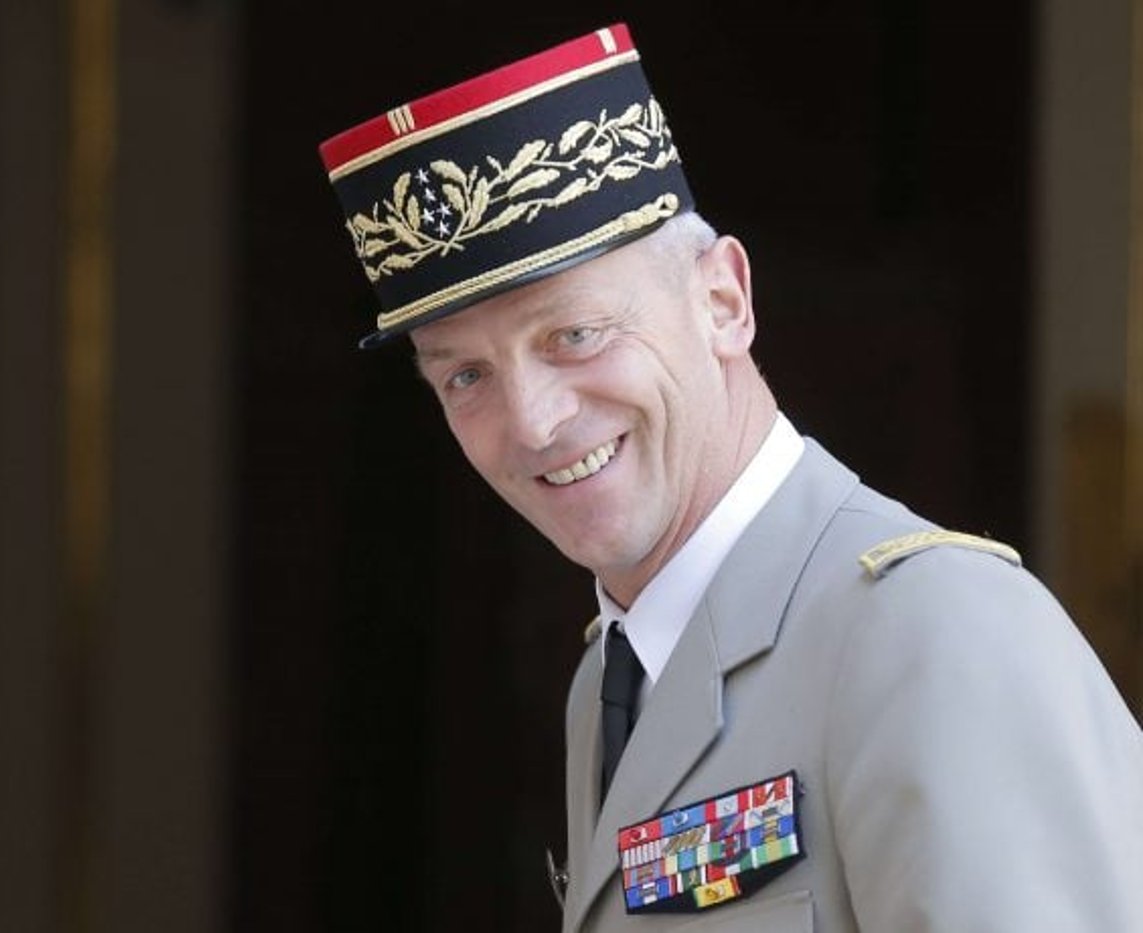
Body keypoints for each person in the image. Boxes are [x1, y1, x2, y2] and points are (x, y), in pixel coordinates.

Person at [316, 23, 1143, 932]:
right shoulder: (613, 674)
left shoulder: (936, 627)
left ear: (722, 303)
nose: (533, 421)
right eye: (465, 375)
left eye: (574, 335)